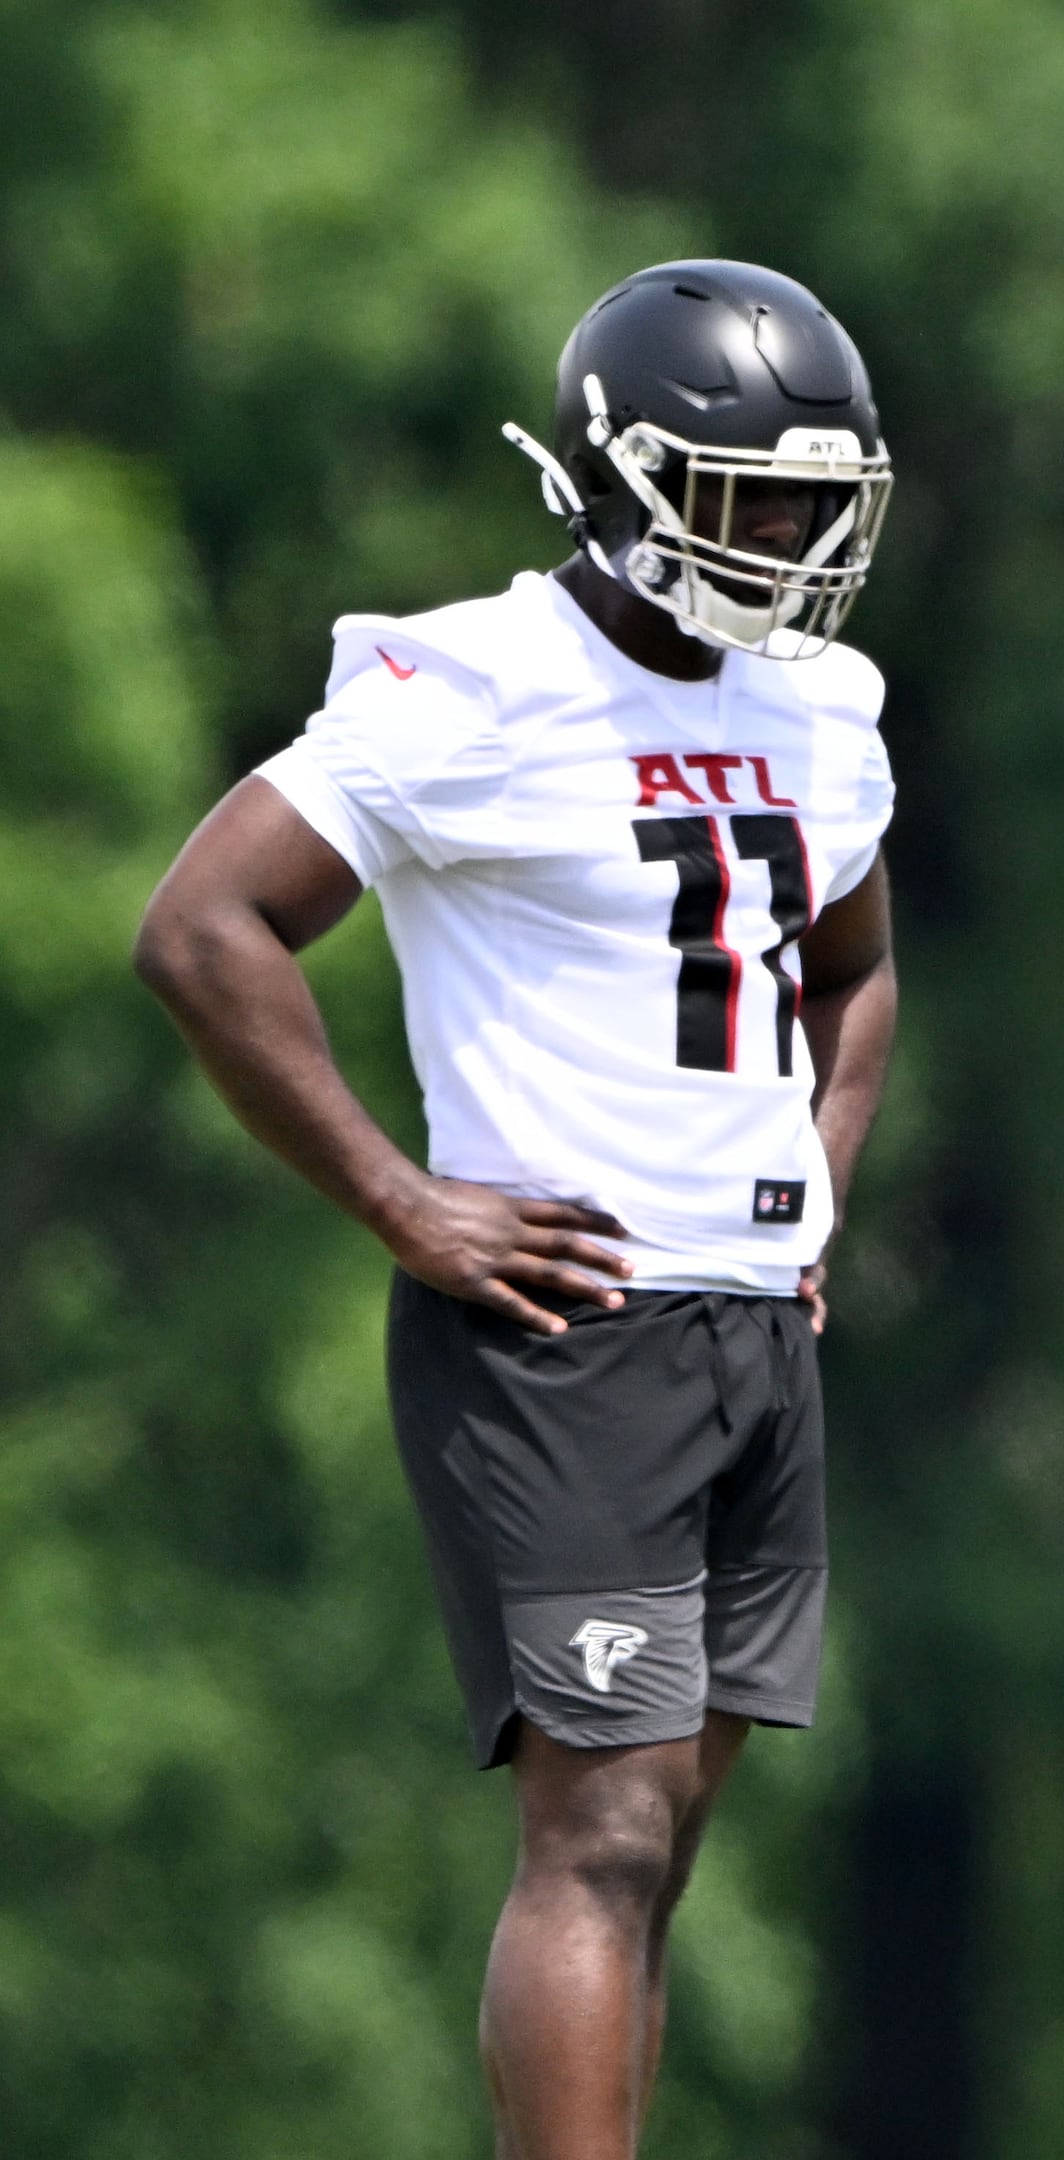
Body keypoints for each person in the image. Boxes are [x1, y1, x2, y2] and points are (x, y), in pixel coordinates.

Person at [131, 260, 900, 2160]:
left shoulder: (827, 705)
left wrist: (816, 1197)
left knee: (667, 1841)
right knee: (604, 1825)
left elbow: (859, 967)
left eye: (821, 504)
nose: (793, 546)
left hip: (745, 1319)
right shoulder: (470, 684)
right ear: (619, 483)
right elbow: (204, 926)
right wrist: (406, 1202)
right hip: (571, 1322)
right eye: (752, 503)